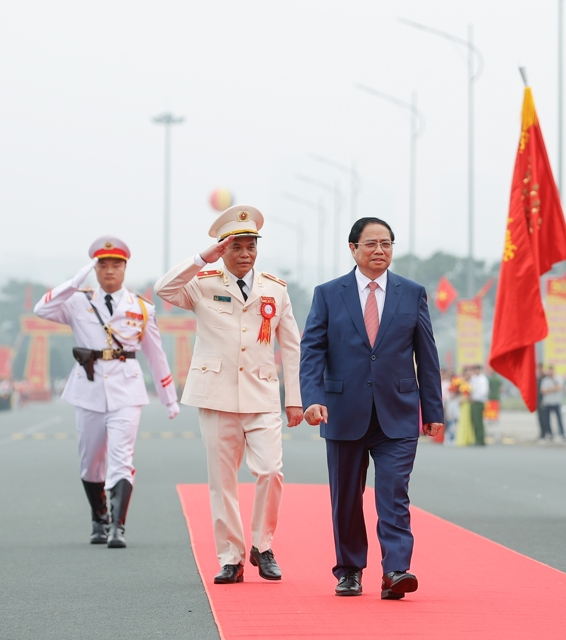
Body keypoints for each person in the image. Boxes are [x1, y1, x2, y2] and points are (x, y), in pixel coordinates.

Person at [155, 205, 303, 584]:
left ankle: (263, 545)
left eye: (251, 245)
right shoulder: (203, 282)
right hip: (216, 394)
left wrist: (295, 399)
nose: (245, 253)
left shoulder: (276, 289)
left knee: (271, 470)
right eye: (237, 246)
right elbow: (164, 289)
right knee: (223, 482)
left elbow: (291, 347)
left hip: (262, 394)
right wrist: (202, 258)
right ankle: (231, 558)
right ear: (223, 248)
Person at [300, 217, 444, 600]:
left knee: (394, 493)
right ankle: (349, 570)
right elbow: (312, 349)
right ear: (353, 249)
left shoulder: (411, 293)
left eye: (386, 243)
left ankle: (396, 569)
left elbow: (426, 356)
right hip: (342, 411)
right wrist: (312, 398)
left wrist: (433, 411)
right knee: (346, 497)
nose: (379, 250)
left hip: (397, 413)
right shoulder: (329, 294)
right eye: (371, 244)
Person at [35, 236, 179, 548]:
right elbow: (41, 309)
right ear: (94, 268)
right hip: (87, 389)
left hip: (126, 390)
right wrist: (74, 282)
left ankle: (118, 527)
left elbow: (156, 356)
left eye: (116, 265)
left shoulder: (142, 308)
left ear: (125, 268)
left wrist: (169, 398)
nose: (110, 271)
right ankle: (99, 518)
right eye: (103, 265)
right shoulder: (77, 302)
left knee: (121, 458)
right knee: (90, 462)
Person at [539, 365, 566, 440]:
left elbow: (559, 387)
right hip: (547, 402)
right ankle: (550, 434)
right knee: (547, 420)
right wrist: (554, 389)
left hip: (557, 402)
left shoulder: (558, 378)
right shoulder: (545, 380)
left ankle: (562, 433)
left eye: (552, 370)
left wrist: (549, 390)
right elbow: (543, 391)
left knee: (559, 419)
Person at [468, 364, 489, 446]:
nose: (475, 371)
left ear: (480, 370)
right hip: (473, 402)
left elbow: (484, 392)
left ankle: (481, 439)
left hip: (479, 402)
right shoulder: (474, 379)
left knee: (479, 422)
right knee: (474, 422)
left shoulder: (483, 379)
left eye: (477, 369)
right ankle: (476, 438)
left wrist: (475, 398)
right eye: (474, 370)